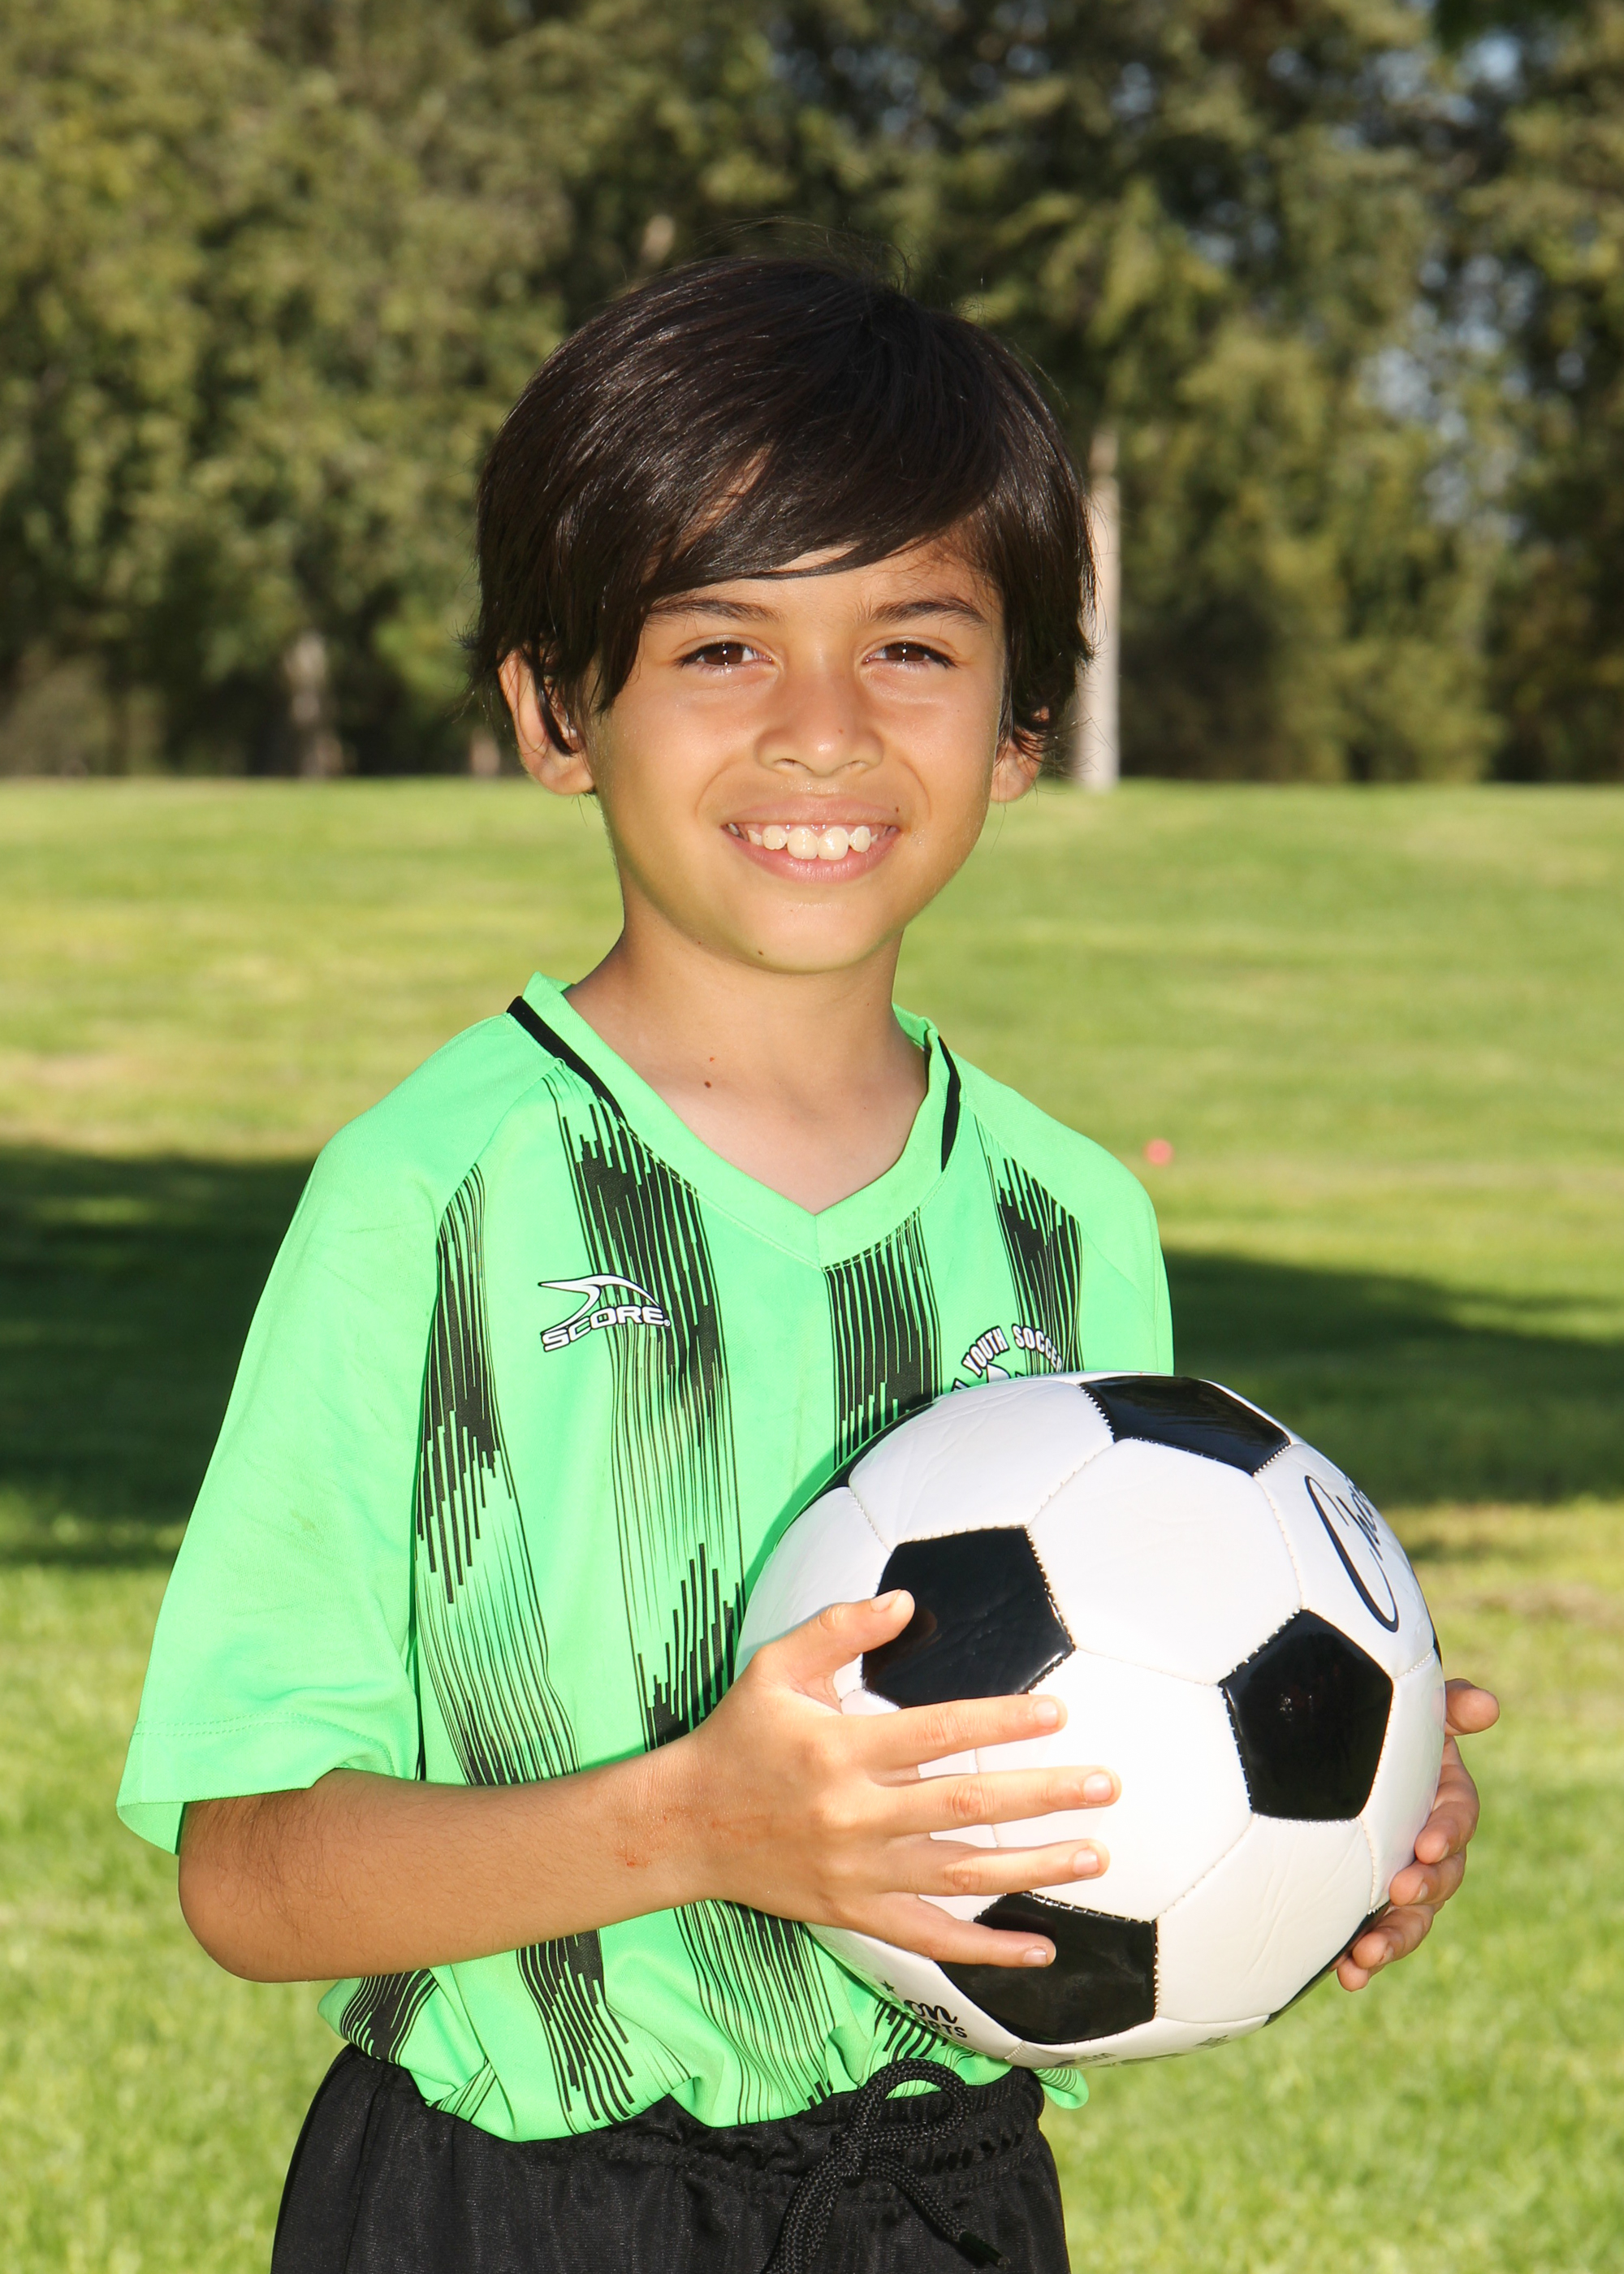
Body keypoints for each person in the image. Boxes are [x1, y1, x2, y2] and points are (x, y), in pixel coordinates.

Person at [117, 256, 1498, 2274]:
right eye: (722, 645)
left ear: (1022, 724)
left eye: (910, 646)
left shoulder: (1067, 1219)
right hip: (509, 2211)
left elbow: (1102, 1779)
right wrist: (697, 1822)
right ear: (555, 708)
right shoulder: (432, 1197)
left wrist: (1332, 1811)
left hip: (943, 2202)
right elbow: (249, 1873)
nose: (823, 729)